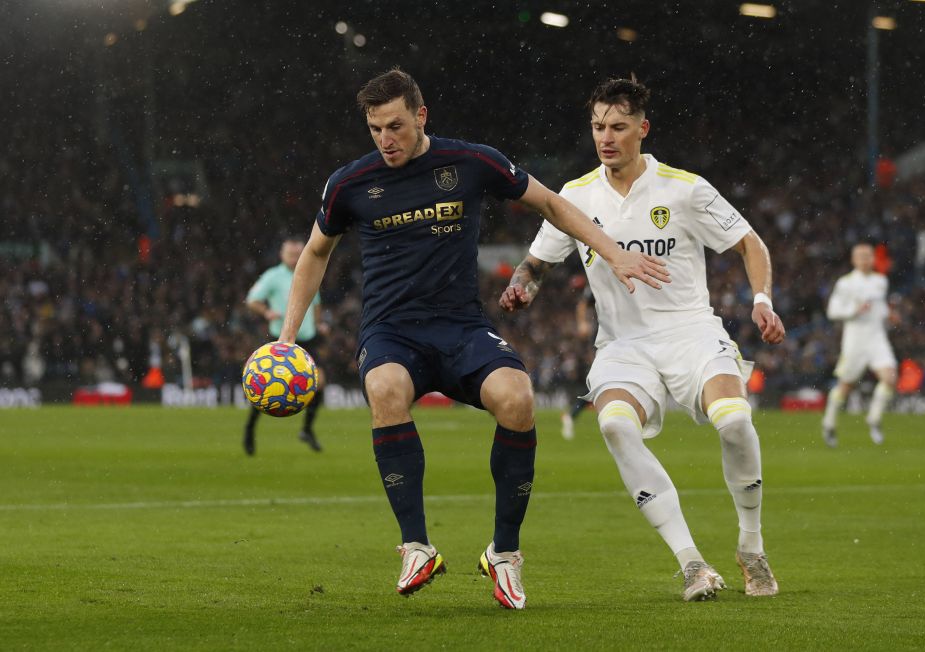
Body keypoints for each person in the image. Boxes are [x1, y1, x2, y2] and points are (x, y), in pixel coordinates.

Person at [276, 69, 668, 610]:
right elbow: (316, 252)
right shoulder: (349, 183)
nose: (385, 140)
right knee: (386, 389)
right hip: (391, 331)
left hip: (461, 327)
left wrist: (614, 250)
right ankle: (416, 545)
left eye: (395, 126)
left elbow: (553, 205)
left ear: (421, 116)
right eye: (374, 129)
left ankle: (504, 555)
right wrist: (286, 338)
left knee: (518, 398)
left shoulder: (471, 162)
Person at [500, 77, 785, 601]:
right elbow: (535, 265)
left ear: (642, 129)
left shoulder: (684, 188)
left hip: (692, 332)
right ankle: (692, 563)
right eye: (597, 127)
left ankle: (751, 545)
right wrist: (522, 287)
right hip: (623, 346)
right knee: (614, 426)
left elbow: (750, 243)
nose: (605, 138)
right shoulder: (575, 198)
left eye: (618, 127)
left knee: (735, 420)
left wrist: (761, 300)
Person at [244, 236, 325, 456]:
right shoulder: (273, 276)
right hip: (280, 342)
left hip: (307, 339)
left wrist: (319, 324)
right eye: (291, 254)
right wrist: (266, 312)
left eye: (298, 254)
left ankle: (307, 430)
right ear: (282, 254)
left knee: (320, 383)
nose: (295, 258)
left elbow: (316, 303)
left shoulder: (309, 270)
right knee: (267, 386)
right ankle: (250, 429)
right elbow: (252, 299)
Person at [821, 243, 898, 447]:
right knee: (845, 386)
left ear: (873, 259)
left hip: (877, 337)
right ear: (853, 260)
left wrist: (889, 315)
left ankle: (874, 419)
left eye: (868, 255)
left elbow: (880, 307)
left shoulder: (881, 281)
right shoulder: (845, 283)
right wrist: (855, 309)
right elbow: (832, 311)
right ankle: (829, 423)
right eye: (861, 256)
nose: (865, 259)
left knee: (889, 377)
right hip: (855, 340)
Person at [560, 286, 596, 440]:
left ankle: (571, 414)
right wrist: (582, 323)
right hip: (606, 338)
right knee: (596, 382)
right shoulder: (599, 276)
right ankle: (571, 414)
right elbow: (583, 303)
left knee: (595, 384)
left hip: (623, 338)